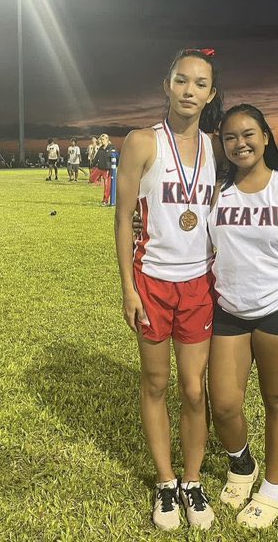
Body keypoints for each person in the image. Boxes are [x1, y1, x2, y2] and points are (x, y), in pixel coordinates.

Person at [115, 48, 224, 531]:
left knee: (193, 390)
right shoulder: (142, 142)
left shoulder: (216, 147)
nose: (189, 91)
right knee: (156, 384)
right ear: (167, 84)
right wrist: (127, 288)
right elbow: (122, 218)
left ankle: (193, 481)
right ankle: (165, 484)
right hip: (152, 283)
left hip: (199, 283)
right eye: (181, 80)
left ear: (211, 95)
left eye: (200, 84)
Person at [207, 104, 278, 530]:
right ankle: (242, 464)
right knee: (223, 403)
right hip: (229, 310)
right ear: (223, 145)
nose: (241, 143)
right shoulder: (217, 193)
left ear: (266, 138)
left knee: (276, 400)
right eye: (231, 137)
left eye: (249, 134)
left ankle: (272, 487)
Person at [91, 134, 114, 204]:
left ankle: (105, 200)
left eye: (103, 139)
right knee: (91, 179)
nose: (102, 141)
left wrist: (114, 166)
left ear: (107, 139)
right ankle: (98, 182)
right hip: (99, 168)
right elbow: (96, 157)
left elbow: (116, 156)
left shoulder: (111, 148)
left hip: (107, 169)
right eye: (101, 139)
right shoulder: (101, 148)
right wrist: (92, 165)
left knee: (107, 185)